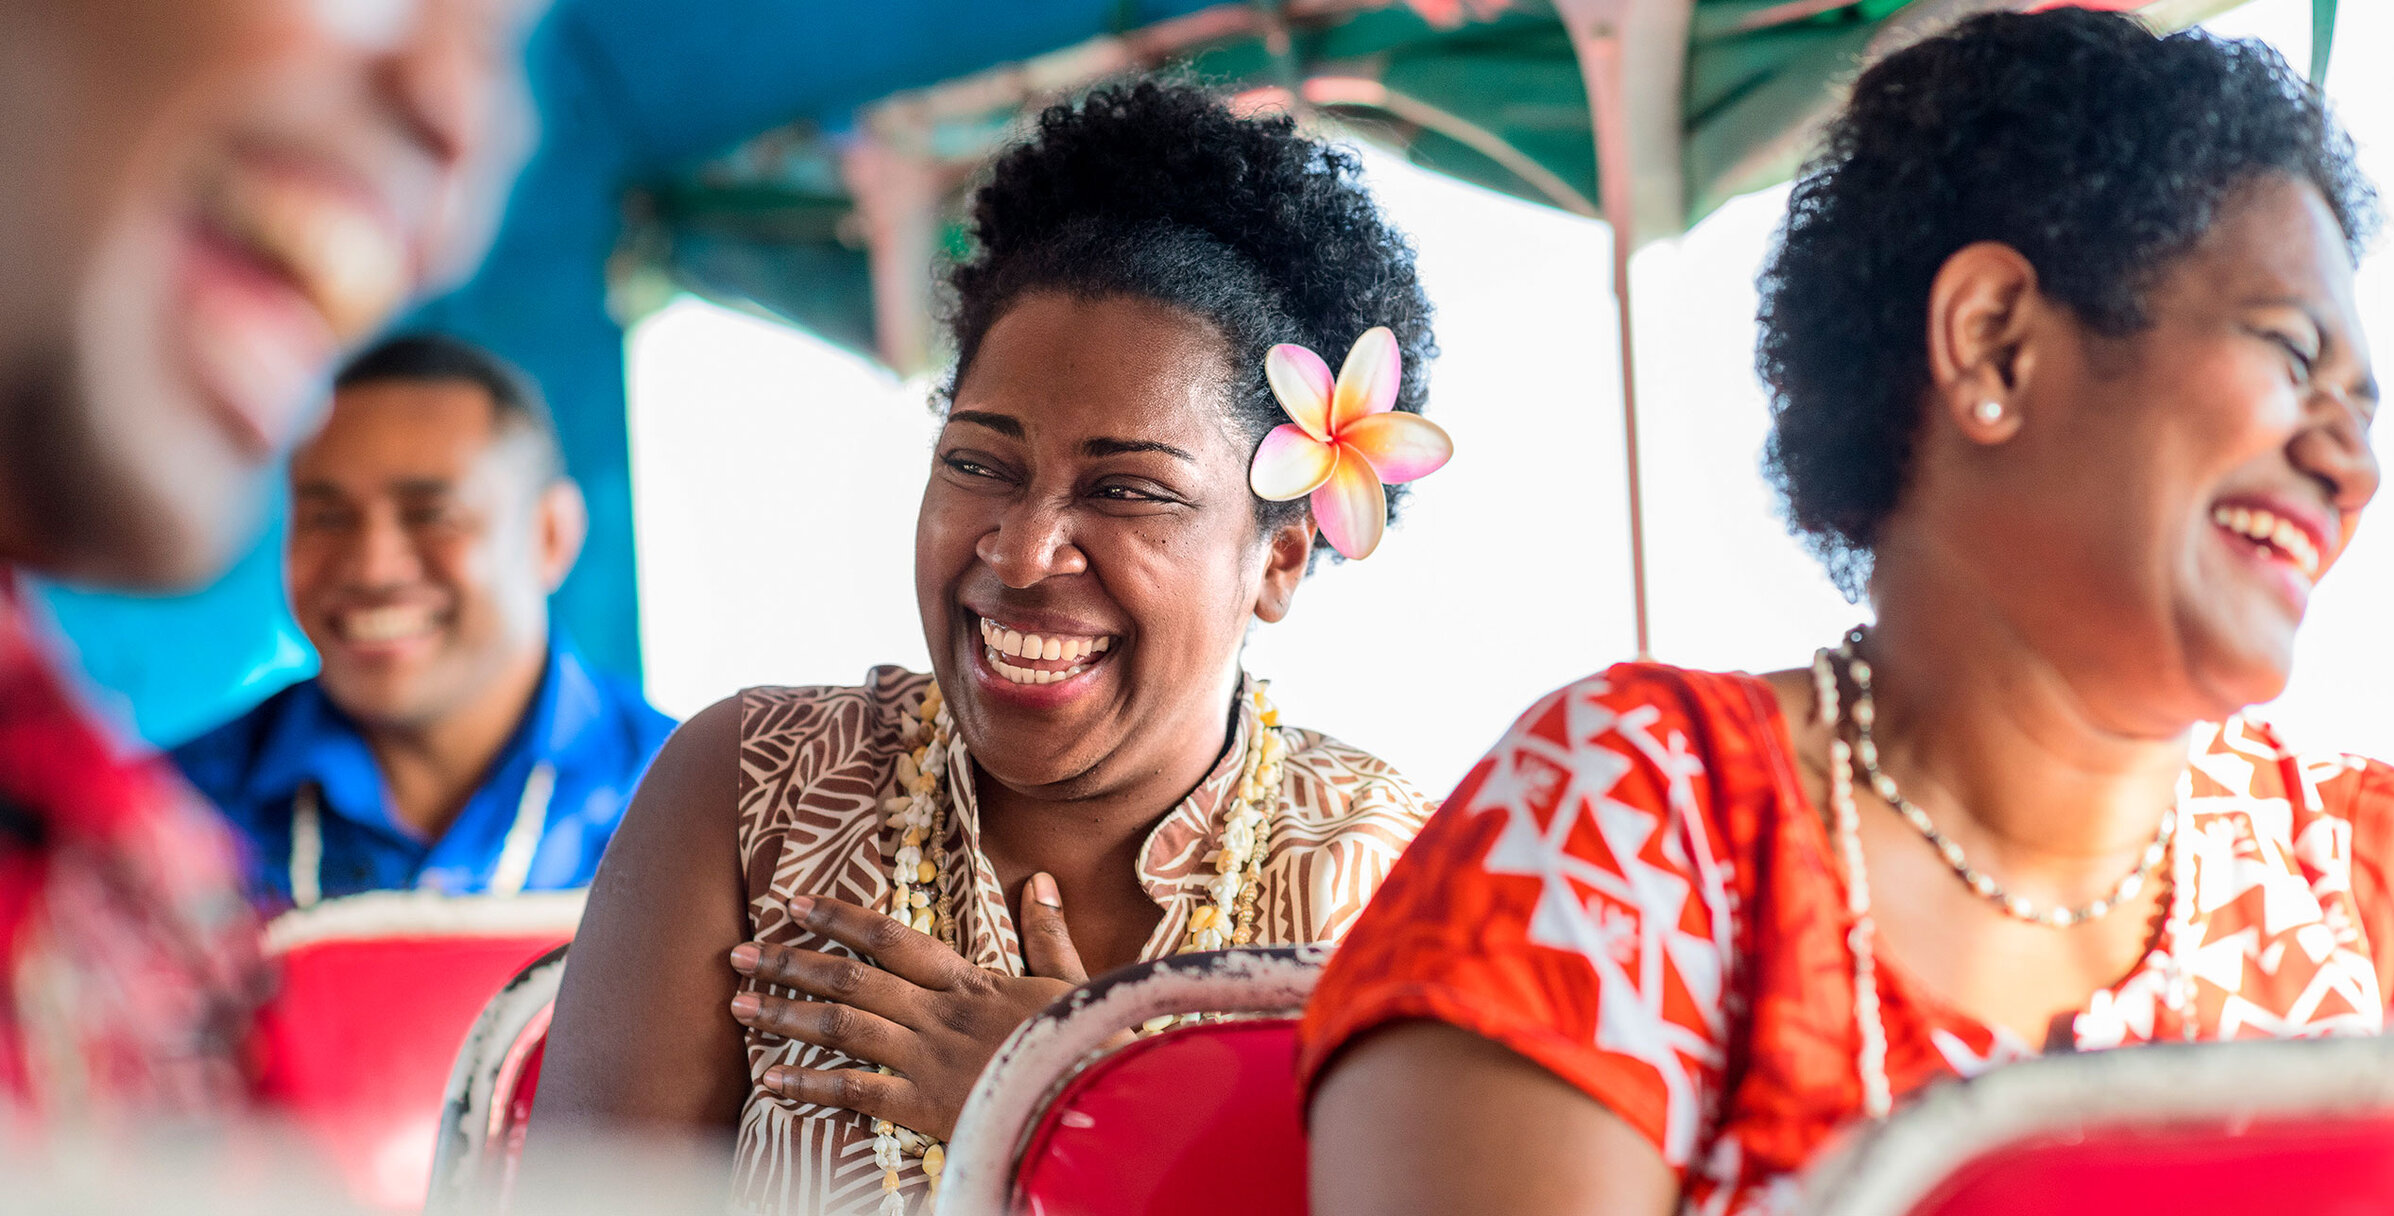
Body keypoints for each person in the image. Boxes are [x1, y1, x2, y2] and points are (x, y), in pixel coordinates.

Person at [1298, 11, 2394, 1215]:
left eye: (2364, 407)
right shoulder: (1630, 825)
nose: (2352, 467)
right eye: (2291, 355)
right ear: (1995, 344)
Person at [533, 79, 1451, 1214]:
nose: (1021, 552)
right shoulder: (752, 790)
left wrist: (1084, 1113)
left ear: (1278, 559)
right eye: (979, 463)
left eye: (1127, 489)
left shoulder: (1392, 888)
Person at [0, 0, 537, 1116]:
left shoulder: (130, 885)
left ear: (550, 538)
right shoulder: (170, 825)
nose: (461, 133)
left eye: (497, 38)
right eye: (325, 513)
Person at [173, 335, 675, 909]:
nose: (372, 568)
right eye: (326, 518)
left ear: (550, 535)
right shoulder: (173, 812)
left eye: (433, 515)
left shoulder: (705, 819)